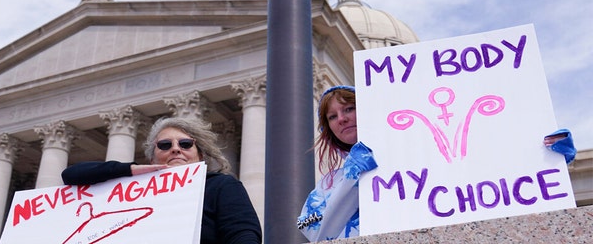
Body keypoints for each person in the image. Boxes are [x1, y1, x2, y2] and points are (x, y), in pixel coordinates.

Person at [297, 85, 576, 242]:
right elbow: (315, 231)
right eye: (332, 117)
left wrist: (545, 154)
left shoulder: (424, 152)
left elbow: (482, 174)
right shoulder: (327, 184)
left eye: (349, 108)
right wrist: (351, 179)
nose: (342, 119)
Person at [62, 117, 262, 244]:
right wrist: (128, 170)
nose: (176, 149)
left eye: (185, 144)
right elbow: (70, 175)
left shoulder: (220, 185)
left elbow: (243, 234)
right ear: (152, 158)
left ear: (200, 155)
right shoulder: (135, 191)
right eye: (165, 145)